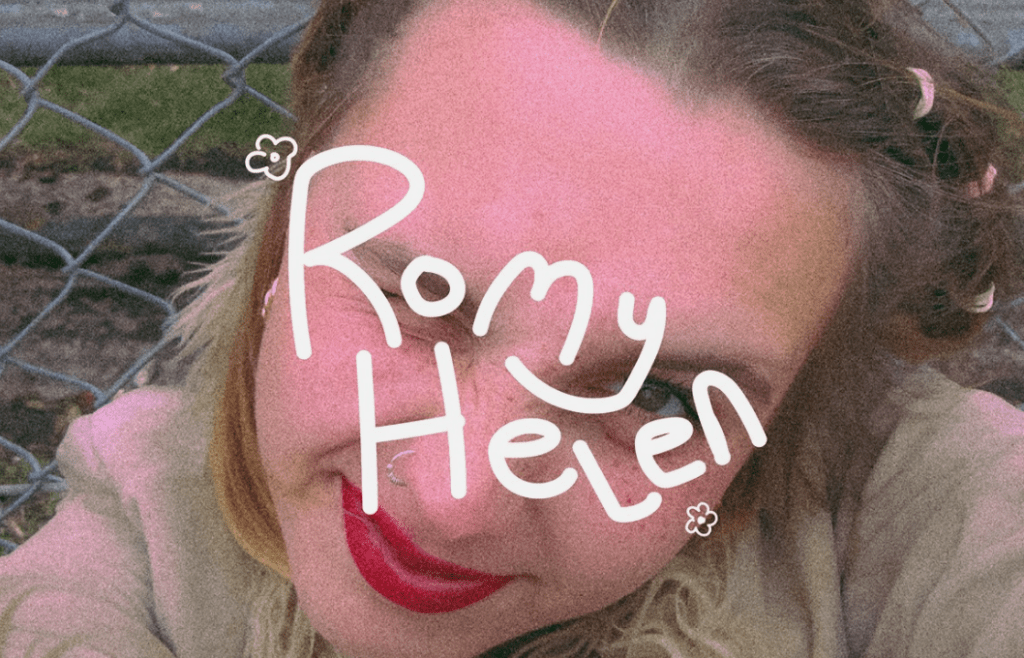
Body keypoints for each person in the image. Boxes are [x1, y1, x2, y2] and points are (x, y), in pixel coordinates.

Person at [2, 0, 1024, 656]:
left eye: (657, 396)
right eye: (420, 299)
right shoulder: (140, 534)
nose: (458, 501)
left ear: (797, 404)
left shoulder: (918, 516)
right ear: (288, 220)